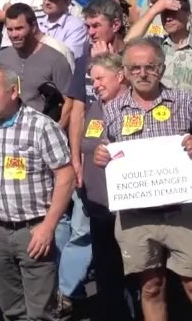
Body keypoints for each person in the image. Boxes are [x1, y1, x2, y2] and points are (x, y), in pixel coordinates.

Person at [93, 39, 192, 321]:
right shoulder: (113, 109)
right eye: (136, 68)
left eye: (150, 67)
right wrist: (102, 155)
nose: (143, 74)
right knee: (152, 288)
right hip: (136, 218)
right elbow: (107, 148)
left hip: (181, 214)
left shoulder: (184, 101)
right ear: (126, 72)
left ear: (162, 68)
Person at [0, 65, 75, 321]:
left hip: (33, 231)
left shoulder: (42, 127)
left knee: (41, 313)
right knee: (12, 310)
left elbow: (65, 176)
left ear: (14, 92)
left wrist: (48, 226)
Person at [76, 53, 136, 321]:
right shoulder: (96, 107)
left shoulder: (133, 107)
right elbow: (85, 146)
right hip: (98, 206)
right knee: (106, 275)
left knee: (131, 277)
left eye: (100, 78)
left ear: (120, 76)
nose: (95, 84)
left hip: (126, 210)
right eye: (92, 79)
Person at [0, 3, 76, 123]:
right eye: (10, 30)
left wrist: (56, 132)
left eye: (19, 28)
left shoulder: (55, 59)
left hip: (42, 130)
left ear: (33, 27)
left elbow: (70, 103)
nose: (14, 35)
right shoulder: (3, 57)